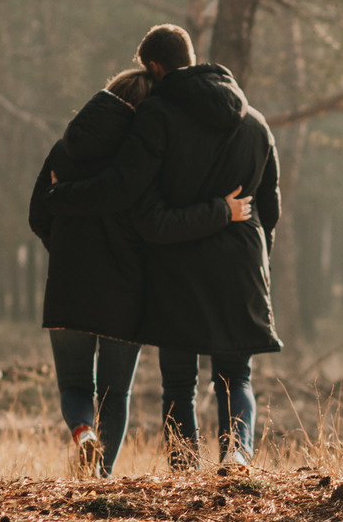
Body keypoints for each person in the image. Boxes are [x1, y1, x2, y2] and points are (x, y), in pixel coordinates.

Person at [51, 24, 280, 472]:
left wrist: (64, 197)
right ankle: (237, 453)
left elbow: (133, 197)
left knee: (179, 383)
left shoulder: (157, 118)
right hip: (242, 269)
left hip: (179, 270)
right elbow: (267, 210)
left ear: (154, 66)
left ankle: (183, 474)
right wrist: (257, 263)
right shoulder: (256, 122)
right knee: (237, 377)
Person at [28, 66, 155, 474]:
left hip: (68, 286)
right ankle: (100, 479)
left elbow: (38, 213)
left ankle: (83, 431)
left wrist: (64, 249)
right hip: (126, 289)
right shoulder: (142, 156)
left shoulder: (65, 148)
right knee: (116, 393)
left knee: (74, 385)